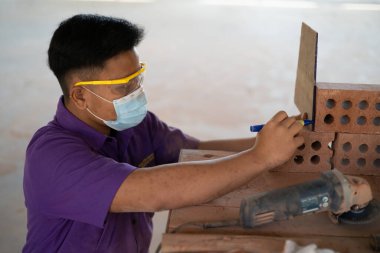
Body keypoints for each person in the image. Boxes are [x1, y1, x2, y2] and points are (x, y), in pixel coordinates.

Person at [23, 14, 304, 253]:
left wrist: (276, 138)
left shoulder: (134, 126)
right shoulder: (51, 158)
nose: (136, 93)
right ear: (81, 95)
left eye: (137, 79)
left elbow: (194, 152)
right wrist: (259, 157)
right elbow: (155, 192)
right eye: (123, 87)